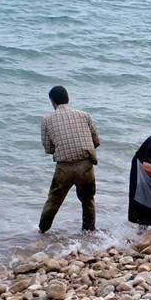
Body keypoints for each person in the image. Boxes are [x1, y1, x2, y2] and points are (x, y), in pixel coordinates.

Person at [38, 86, 101, 233]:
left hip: (64, 168)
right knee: (88, 200)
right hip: (85, 166)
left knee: (54, 200)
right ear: (68, 99)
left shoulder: (46, 121)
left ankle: (42, 230)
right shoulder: (84, 115)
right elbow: (97, 141)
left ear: (52, 102)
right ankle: (88, 232)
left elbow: (48, 149)